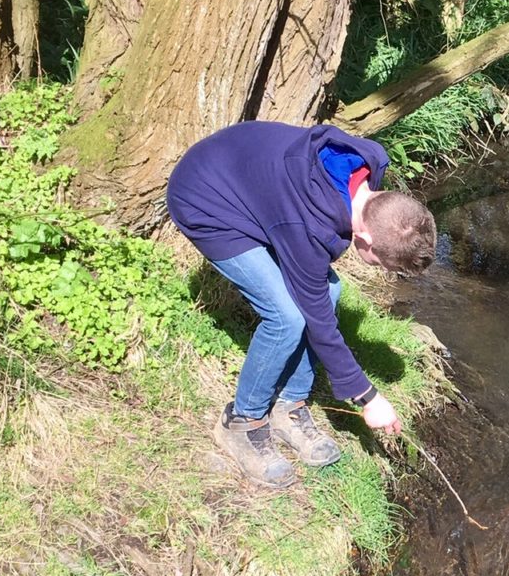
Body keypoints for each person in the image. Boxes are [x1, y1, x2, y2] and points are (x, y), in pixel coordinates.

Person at [166, 121, 437, 488]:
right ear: (367, 238)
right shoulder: (306, 224)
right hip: (206, 200)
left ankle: (289, 406)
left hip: (249, 180)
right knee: (286, 317)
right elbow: (318, 321)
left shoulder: (369, 167)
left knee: (332, 292)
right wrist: (368, 398)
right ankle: (242, 422)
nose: (380, 270)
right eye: (381, 264)